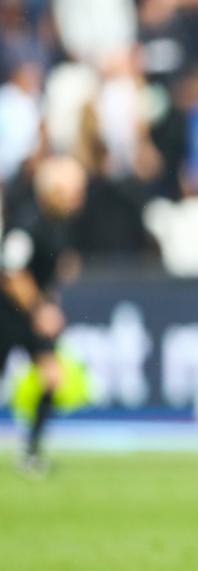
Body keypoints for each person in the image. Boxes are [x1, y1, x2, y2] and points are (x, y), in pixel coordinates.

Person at [0, 156, 87, 474]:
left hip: (29, 315)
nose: (78, 197)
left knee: (52, 376)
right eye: (73, 190)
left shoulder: (58, 225)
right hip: (8, 315)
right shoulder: (28, 223)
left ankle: (31, 453)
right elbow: (12, 274)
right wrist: (40, 308)